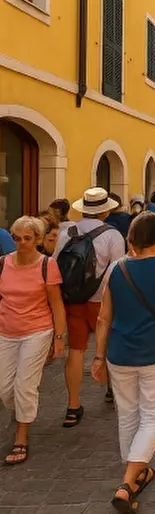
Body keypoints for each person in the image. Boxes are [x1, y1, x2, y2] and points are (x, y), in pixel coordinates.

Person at [90, 212, 155, 514]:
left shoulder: (116, 269)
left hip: (120, 354)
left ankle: (138, 475)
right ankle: (126, 483)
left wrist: (98, 356)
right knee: (152, 416)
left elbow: (103, 317)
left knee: (128, 414)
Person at [54, 187, 127, 428]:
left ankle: (72, 407)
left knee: (75, 351)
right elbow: (117, 271)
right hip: (101, 299)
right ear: (105, 211)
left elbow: (55, 265)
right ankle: (111, 391)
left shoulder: (67, 232)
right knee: (108, 344)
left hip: (74, 300)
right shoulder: (113, 235)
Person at [0, 217, 66, 465]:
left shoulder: (47, 265)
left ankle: (21, 437)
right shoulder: (3, 264)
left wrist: (59, 337)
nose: (22, 243)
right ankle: (19, 416)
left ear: (38, 240)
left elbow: (56, 304)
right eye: (17, 238)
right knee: (5, 388)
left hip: (37, 331)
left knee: (24, 385)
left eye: (28, 238)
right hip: (6, 330)